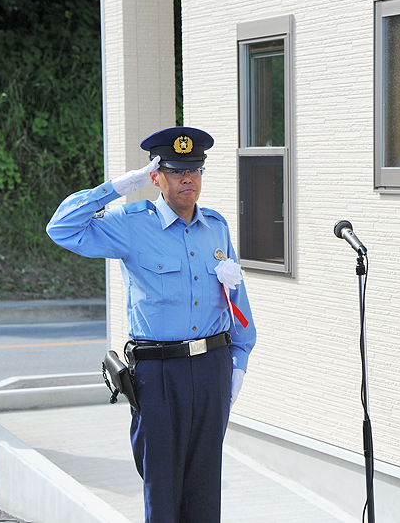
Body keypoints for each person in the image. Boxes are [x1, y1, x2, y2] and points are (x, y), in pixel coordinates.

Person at [47, 126, 256, 523]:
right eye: (176, 171)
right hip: (159, 373)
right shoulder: (131, 223)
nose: (187, 180)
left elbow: (235, 296)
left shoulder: (216, 226)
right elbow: (61, 229)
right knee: (162, 484)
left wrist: (240, 358)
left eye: (194, 171)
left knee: (205, 484)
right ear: (156, 176)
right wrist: (115, 187)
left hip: (213, 365)